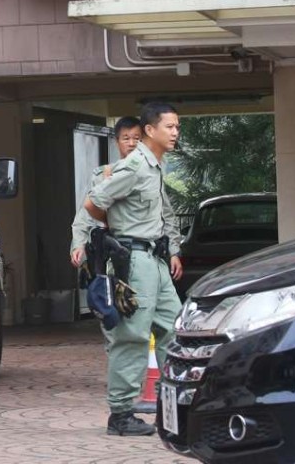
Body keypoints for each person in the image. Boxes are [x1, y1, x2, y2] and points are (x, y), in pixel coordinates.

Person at [82, 103, 184, 437]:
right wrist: (117, 229)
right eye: (169, 127)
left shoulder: (155, 166)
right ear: (150, 130)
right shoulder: (136, 166)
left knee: (175, 327)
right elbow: (93, 202)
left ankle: (177, 404)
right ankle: (121, 414)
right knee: (133, 336)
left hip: (155, 258)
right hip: (135, 258)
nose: (175, 132)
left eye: (177, 127)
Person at [69, 116, 142, 268]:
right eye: (126, 138)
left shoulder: (150, 174)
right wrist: (78, 245)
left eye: (137, 138)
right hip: (115, 252)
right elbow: (85, 214)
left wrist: (173, 251)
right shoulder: (103, 175)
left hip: (144, 251)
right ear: (117, 142)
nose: (131, 143)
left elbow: (164, 215)